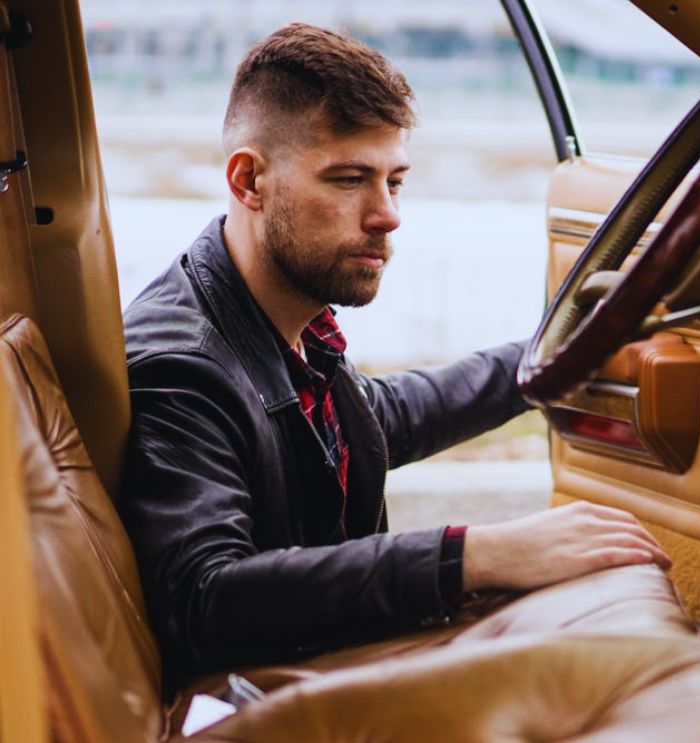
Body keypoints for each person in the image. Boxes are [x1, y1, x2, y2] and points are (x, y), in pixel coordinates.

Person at [120, 23, 670, 682]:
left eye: (395, 181)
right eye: (350, 178)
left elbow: (371, 419)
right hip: (271, 697)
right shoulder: (181, 366)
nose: (386, 215)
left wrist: (546, 359)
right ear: (248, 181)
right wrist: (471, 554)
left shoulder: (283, 321)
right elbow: (205, 599)